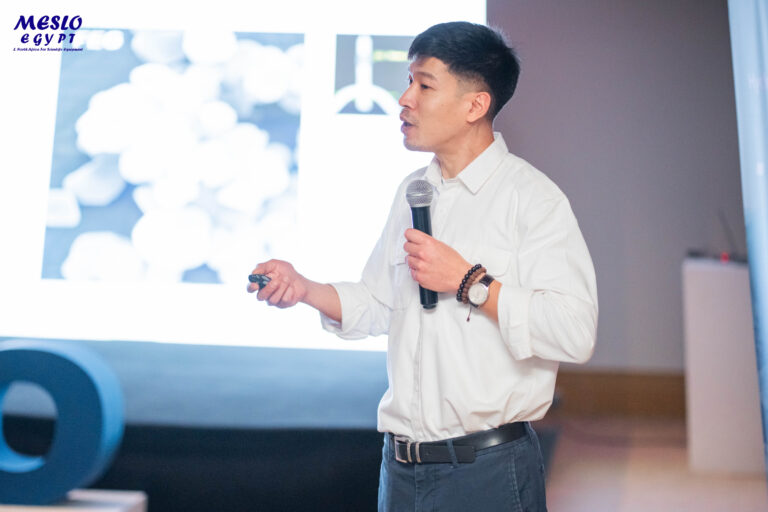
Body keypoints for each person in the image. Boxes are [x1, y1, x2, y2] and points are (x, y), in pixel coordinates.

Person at [248, 21, 597, 512]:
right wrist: (305, 288)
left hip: (487, 472)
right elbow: (377, 303)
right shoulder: (414, 191)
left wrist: (471, 282)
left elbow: (574, 332)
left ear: (475, 105)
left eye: (424, 85)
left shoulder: (533, 200)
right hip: (401, 470)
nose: (404, 99)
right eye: (408, 81)